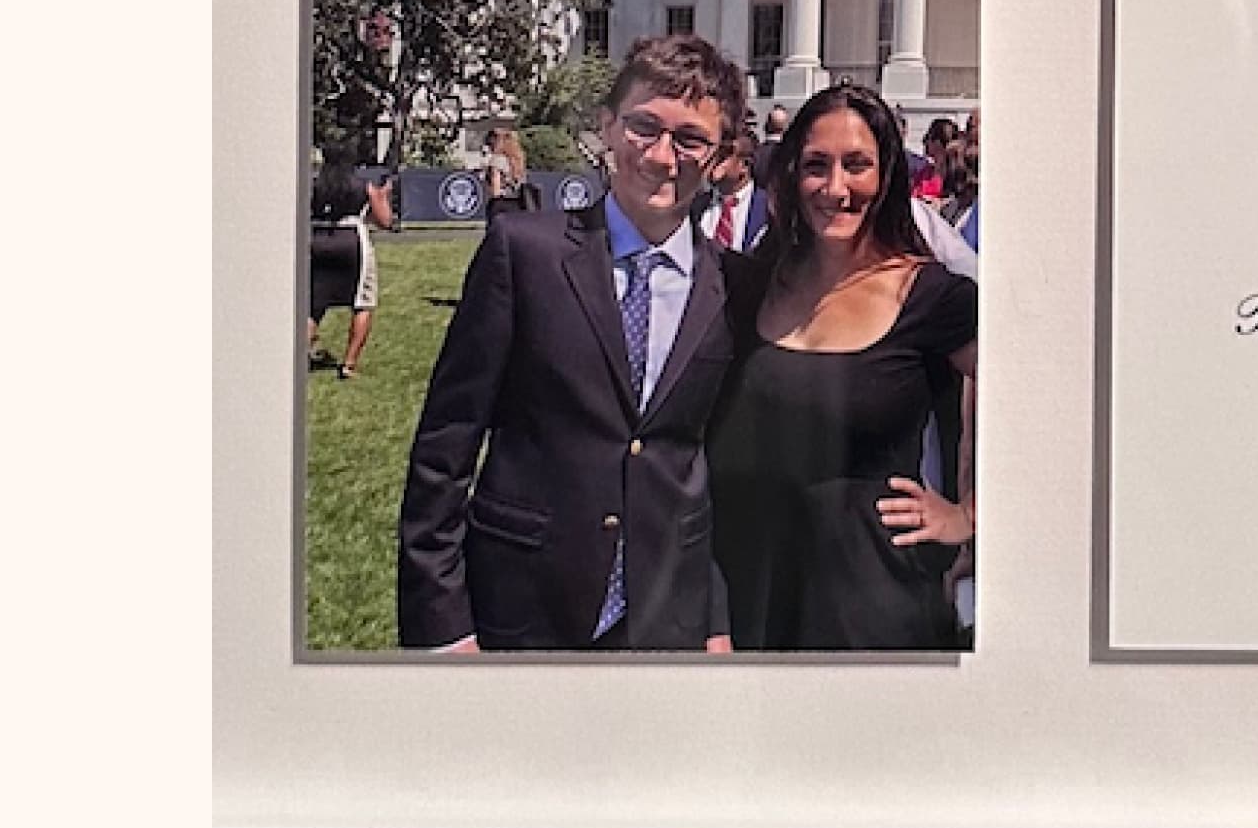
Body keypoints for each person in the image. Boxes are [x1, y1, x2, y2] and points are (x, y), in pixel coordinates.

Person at [395, 35, 747, 652]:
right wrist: (442, 625)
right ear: (607, 128)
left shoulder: (734, 286)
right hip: (523, 604)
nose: (663, 156)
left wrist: (716, 619)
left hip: (664, 619)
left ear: (719, 156)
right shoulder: (525, 253)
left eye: (690, 138)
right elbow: (447, 443)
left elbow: (713, 466)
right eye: (644, 127)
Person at [708, 84, 977, 651]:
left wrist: (970, 514)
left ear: (886, 176)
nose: (836, 188)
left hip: (872, 600)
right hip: (747, 592)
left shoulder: (929, 295)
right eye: (815, 166)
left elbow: (1040, 397)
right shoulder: (752, 283)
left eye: (857, 165)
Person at [303, 157, 398, 379]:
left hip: (317, 239)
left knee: (314, 305)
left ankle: (300, 355)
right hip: (351, 241)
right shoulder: (363, 186)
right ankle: (349, 363)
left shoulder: (314, 186)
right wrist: (383, 196)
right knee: (362, 303)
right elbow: (385, 221)